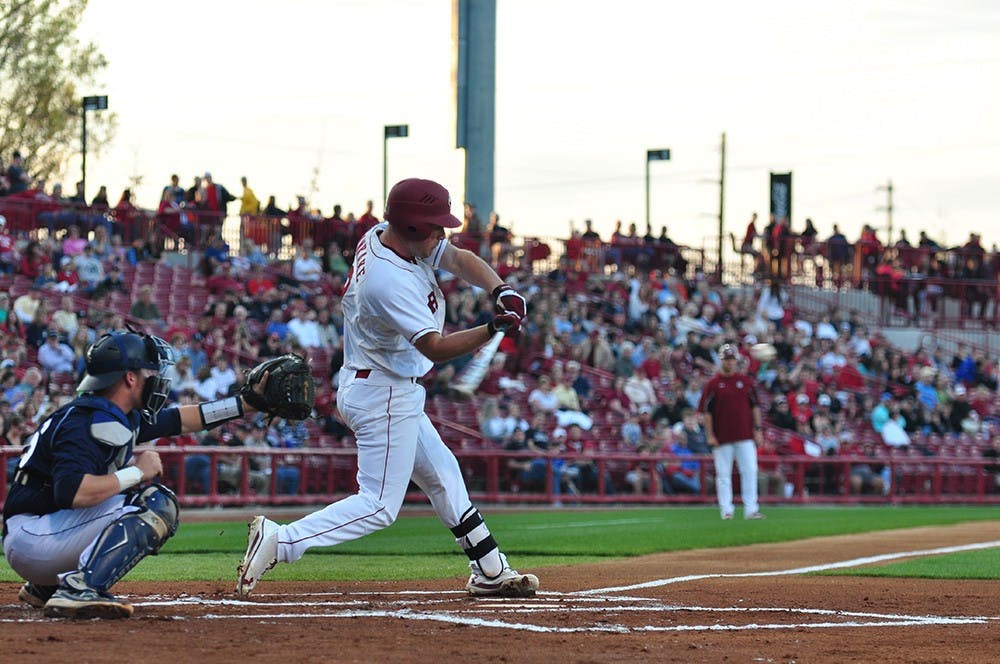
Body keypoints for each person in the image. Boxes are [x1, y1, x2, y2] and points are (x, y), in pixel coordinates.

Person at [235, 177, 538, 598]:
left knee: (444, 476)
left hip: (384, 383)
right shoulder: (387, 279)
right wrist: (491, 328)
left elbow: (457, 257)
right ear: (412, 226)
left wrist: (500, 289)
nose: (441, 232)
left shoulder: (386, 234)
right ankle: (281, 540)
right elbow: (434, 347)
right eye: (434, 225)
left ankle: (490, 569)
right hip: (384, 390)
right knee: (378, 504)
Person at [2, 329, 269, 619]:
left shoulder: (108, 412)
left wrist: (246, 404)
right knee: (155, 503)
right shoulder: (87, 422)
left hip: (40, 533)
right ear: (130, 378)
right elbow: (73, 492)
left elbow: (181, 419)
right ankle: (80, 588)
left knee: (140, 499)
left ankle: (46, 587)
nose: (157, 379)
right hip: (33, 537)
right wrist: (136, 472)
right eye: (150, 372)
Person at [697, 344, 765, 520]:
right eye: (726, 359)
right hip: (722, 437)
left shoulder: (746, 382)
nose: (729, 362)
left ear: (736, 360)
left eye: (732, 359)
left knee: (750, 470)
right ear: (721, 361)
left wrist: (758, 430)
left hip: (745, 435)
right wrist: (710, 435)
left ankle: (751, 509)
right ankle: (726, 510)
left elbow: (755, 407)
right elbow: (707, 412)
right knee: (723, 475)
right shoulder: (712, 384)